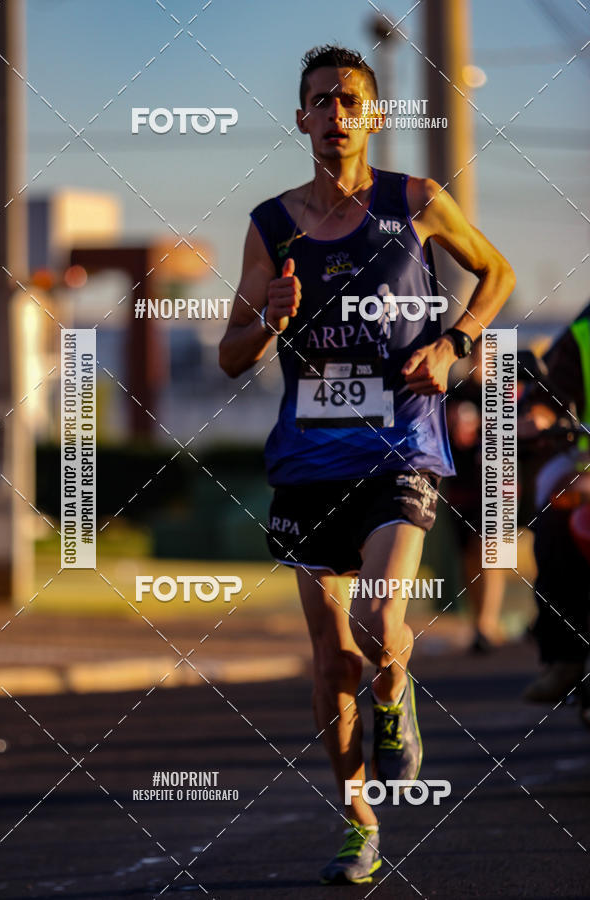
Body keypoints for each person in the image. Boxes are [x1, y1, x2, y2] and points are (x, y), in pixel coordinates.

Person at [219, 44, 516, 885]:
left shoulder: (415, 202)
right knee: (329, 661)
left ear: (373, 115)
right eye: (320, 101)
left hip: (402, 445)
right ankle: (358, 823)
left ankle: (397, 695)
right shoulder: (271, 225)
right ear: (302, 118)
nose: (336, 114)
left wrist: (455, 343)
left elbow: (498, 272)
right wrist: (268, 320)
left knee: (383, 618)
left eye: (351, 100)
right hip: (308, 461)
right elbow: (232, 354)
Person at [518, 300, 590, 703]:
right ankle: (565, 657)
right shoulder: (586, 326)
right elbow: (551, 390)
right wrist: (538, 415)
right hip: (589, 466)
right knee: (558, 513)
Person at [445, 340, 507, 652]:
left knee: (492, 552)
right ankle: (476, 622)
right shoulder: (456, 392)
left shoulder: (505, 393)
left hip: (497, 483)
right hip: (463, 484)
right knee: (469, 554)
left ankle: (487, 621)